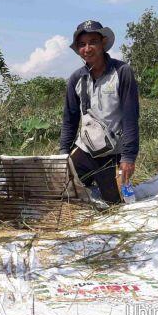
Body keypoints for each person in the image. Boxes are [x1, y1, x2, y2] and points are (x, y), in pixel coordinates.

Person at [59, 20, 139, 204]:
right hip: (85, 149)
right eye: (82, 44)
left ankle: (111, 182)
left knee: (116, 203)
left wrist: (128, 157)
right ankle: (82, 178)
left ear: (103, 43)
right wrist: (63, 154)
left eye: (92, 42)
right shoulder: (76, 79)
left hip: (113, 153)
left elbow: (131, 118)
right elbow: (70, 120)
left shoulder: (122, 72)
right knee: (62, 193)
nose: (87, 48)